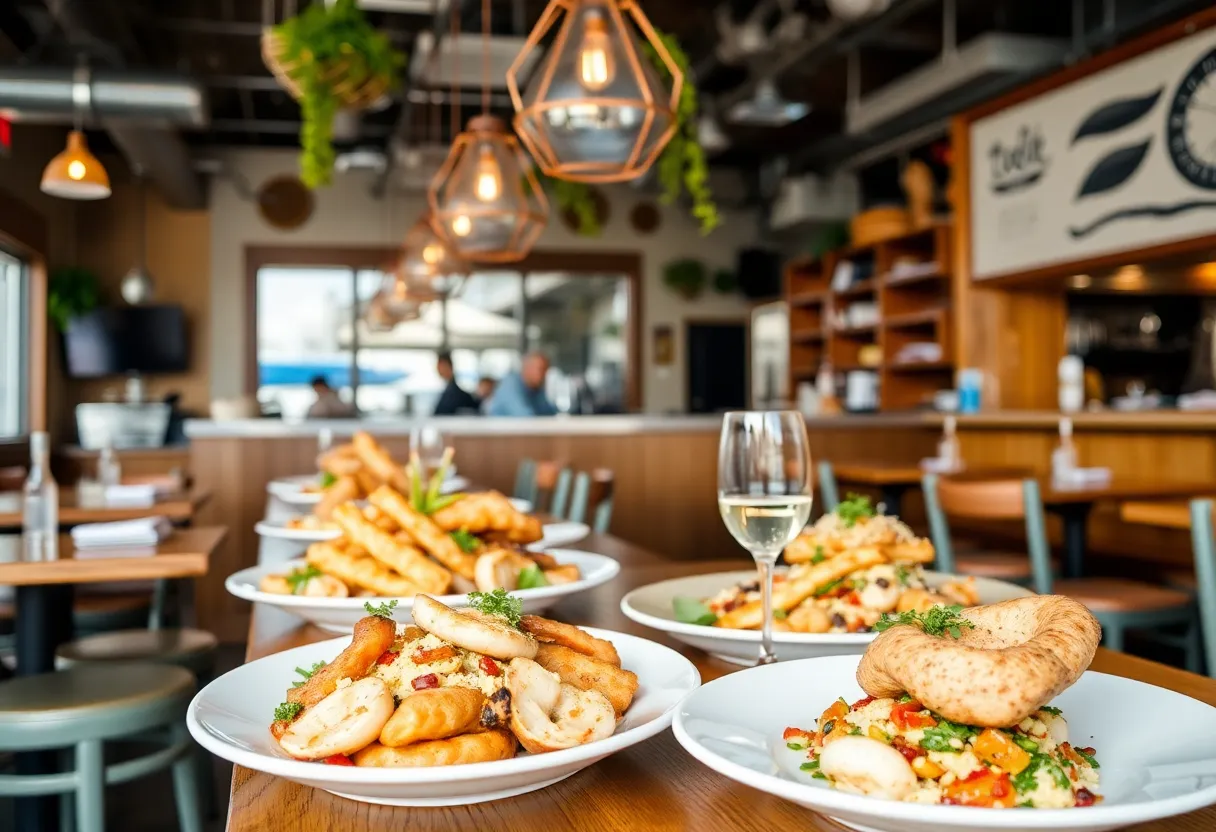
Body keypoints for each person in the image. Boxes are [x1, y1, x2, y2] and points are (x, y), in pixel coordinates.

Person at [486, 352, 558, 417]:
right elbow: (524, 417)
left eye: (546, 370)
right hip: (499, 427)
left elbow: (549, 412)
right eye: (541, 369)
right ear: (527, 368)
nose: (544, 374)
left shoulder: (536, 388)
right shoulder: (510, 385)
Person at [432, 351, 479, 416]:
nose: (437, 369)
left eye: (440, 366)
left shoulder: (455, 394)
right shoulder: (449, 390)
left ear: (448, 366)